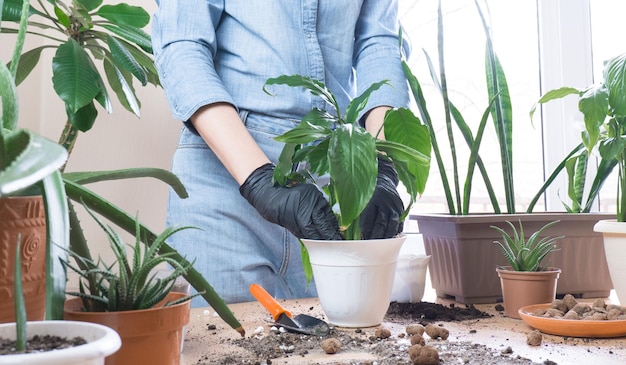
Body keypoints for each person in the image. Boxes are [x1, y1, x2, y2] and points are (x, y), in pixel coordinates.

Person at [151, 0, 410, 305]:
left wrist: (380, 162)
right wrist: (259, 180)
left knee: (336, 348)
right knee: (219, 344)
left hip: (331, 184)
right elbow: (184, 48)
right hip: (225, 180)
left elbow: (378, 44)